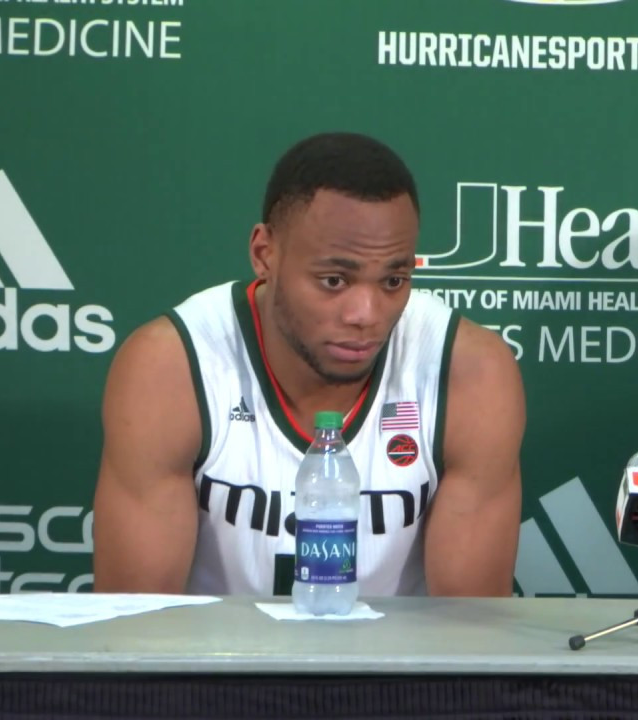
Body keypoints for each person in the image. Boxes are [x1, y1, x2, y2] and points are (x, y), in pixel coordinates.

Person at [92, 132, 524, 597]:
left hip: (395, 668)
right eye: (334, 280)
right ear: (264, 255)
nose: (367, 315)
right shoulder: (173, 366)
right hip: (216, 666)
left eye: (394, 280)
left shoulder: (468, 371)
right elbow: (134, 629)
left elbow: (470, 634)